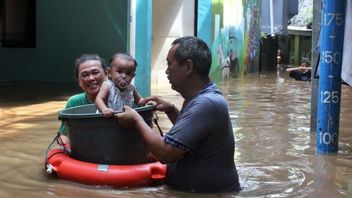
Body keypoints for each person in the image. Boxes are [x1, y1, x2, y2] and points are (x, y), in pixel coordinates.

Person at [115, 36, 241, 193]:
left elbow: (165, 153)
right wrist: (170, 110)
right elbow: (191, 135)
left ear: (188, 67)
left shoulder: (206, 103)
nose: (167, 71)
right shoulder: (203, 97)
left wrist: (136, 119)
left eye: (169, 64)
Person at [58, 54, 107, 144]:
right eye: (85, 75)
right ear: (79, 81)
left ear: (107, 74)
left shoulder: (120, 99)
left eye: (95, 72)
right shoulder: (74, 102)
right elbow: (64, 135)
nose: (91, 78)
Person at [95, 53, 144, 117]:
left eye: (128, 73)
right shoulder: (108, 86)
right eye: (119, 71)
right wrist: (104, 109)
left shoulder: (131, 88)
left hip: (125, 119)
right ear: (109, 72)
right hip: (107, 118)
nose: (124, 76)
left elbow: (139, 100)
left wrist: (147, 102)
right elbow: (99, 99)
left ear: (132, 76)